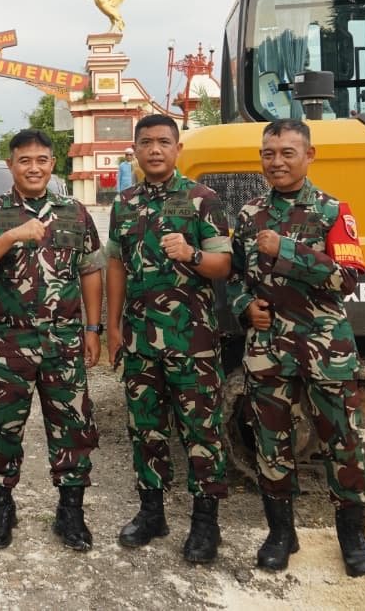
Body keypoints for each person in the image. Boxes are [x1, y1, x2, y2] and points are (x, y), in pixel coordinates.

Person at [229, 118, 365, 577]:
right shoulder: (249, 214)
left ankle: (352, 537)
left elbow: (349, 279)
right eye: (269, 154)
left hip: (324, 347)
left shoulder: (334, 212)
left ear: (309, 156)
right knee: (272, 443)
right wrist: (243, 306)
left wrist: (289, 250)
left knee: (342, 442)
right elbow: (235, 276)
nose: (277, 162)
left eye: (287, 153)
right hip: (269, 347)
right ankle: (280, 533)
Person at [0, 129, 104, 552]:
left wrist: (92, 330)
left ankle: (70, 513)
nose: (34, 167)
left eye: (42, 159)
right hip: (8, 343)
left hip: (64, 344)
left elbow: (91, 271)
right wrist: (10, 237)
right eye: (25, 160)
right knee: (3, 429)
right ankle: (1, 510)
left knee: (73, 428)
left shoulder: (75, 213)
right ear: (11, 165)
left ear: (52, 164)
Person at [105, 113, 232, 563]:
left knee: (202, 430)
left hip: (190, 340)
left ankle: (204, 523)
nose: (155, 150)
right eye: (146, 143)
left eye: (163, 142)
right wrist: (113, 325)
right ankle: (151, 512)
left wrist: (191, 253)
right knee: (145, 428)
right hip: (140, 340)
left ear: (177, 149)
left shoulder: (203, 199)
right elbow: (116, 264)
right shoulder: (123, 203)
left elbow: (223, 266)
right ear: (135, 150)